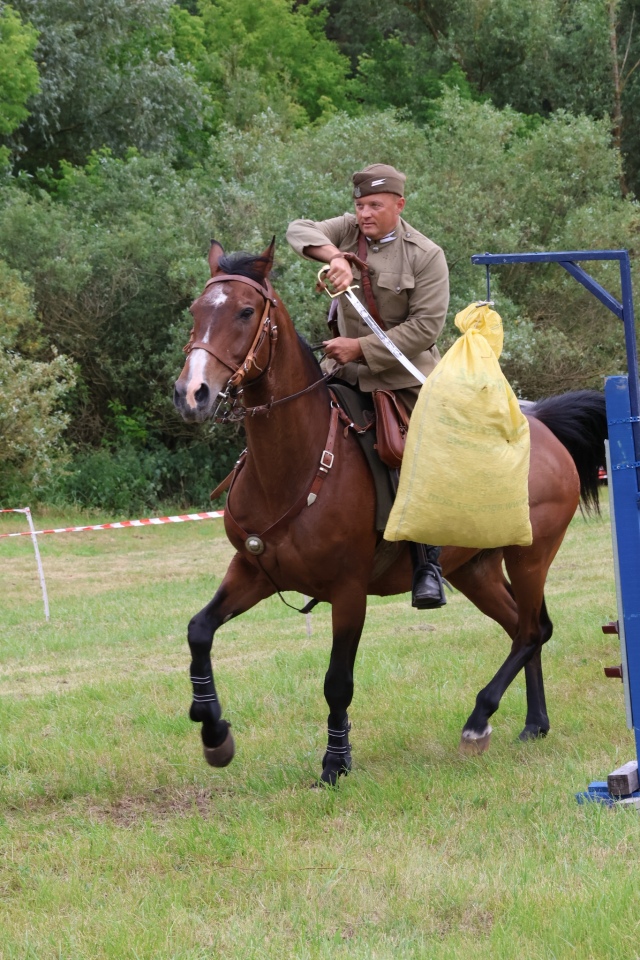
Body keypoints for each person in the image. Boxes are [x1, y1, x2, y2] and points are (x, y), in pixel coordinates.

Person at [286, 163, 449, 609]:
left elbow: (426, 328)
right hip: (343, 375)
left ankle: (427, 564)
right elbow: (298, 229)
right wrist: (335, 257)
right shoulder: (346, 231)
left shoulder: (426, 255)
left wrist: (360, 348)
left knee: (416, 454)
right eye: (360, 205)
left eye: (375, 205)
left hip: (402, 379)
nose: (365, 214)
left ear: (400, 204)